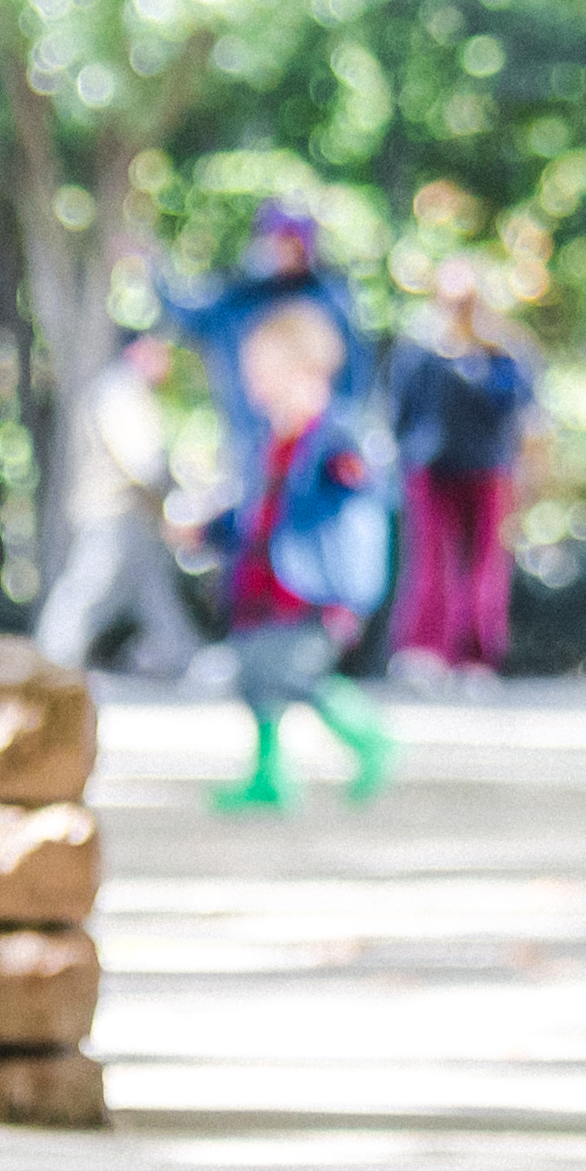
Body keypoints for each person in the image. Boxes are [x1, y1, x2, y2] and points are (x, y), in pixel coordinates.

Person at [205, 295, 394, 808]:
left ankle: (370, 739)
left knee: (296, 675)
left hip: (311, 590)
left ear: (306, 370)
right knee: (255, 678)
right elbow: (257, 515)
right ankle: (269, 777)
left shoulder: (336, 435)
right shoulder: (267, 441)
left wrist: (351, 469)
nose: (253, 384)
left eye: (263, 371)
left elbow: (367, 491)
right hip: (260, 585)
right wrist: (210, 530)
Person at [387, 262, 539, 686]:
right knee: (430, 563)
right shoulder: (419, 349)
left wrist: (473, 365)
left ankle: (476, 656)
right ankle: (424, 650)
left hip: (487, 468)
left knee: (485, 566)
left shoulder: (503, 350)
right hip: (432, 469)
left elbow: (517, 408)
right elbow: (401, 412)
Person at [34, 331, 203, 675]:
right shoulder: (121, 391)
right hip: (111, 512)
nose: (166, 363)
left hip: (132, 514)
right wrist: (178, 491)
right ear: (142, 349)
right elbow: (143, 461)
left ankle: (181, 657)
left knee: (154, 592)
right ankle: (47, 662)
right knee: (88, 590)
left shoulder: (127, 389)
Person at [164, 197, 376, 440]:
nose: (284, 249)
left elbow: (354, 384)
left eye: (292, 241)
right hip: (252, 441)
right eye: (278, 240)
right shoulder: (242, 300)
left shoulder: (330, 302)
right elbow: (191, 316)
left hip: (313, 438)